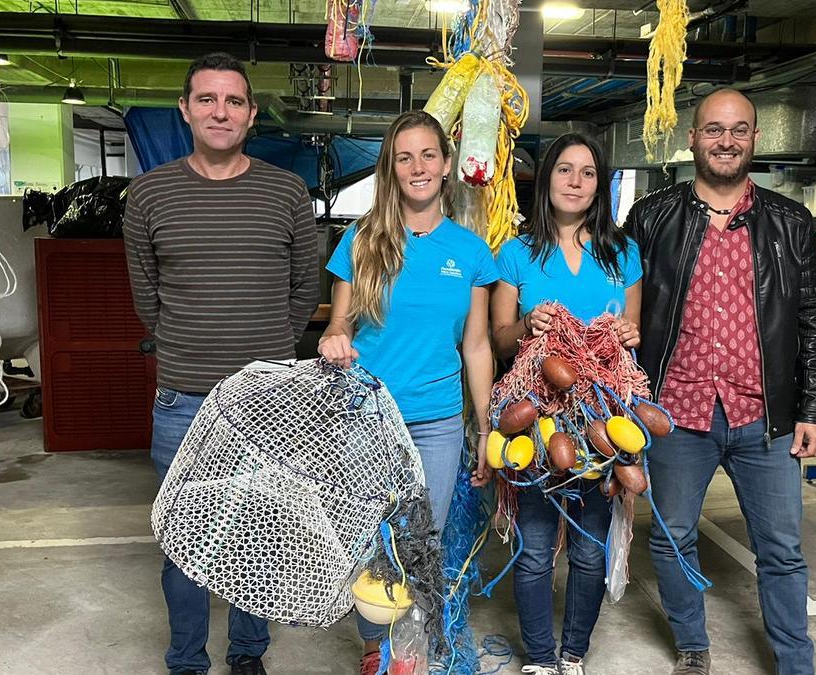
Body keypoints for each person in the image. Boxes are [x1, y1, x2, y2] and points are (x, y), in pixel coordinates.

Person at [124, 52, 319, 675]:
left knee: (260, 542)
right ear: (185, 110)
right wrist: (192, 348)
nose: (220, 111)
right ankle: (186, 661)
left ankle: (246, 656)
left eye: (233, 101)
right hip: (182, 400)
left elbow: (301, 290)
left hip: (267, 403)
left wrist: (263, 362)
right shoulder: (149, 194)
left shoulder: (287, 192)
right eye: (206, 99)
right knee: (184, 547)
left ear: (251, 115)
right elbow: (146, 297)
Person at [624, 88, 816, 675]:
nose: (726, 141)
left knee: (783, 552)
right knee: (670, 538)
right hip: (678, 410)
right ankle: (692, 644)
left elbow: (813, 318)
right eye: (714, 129)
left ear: (755, 140)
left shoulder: (790, 222)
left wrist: (813, 406)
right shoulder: (653, 216)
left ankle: (795, 662)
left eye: (739, 130)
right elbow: (621, 305)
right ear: (692, 138)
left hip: (763, 416)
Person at [317, 109, 497, 675]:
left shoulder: (469, 252)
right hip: (364, 415)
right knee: (369, 539)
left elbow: (476, 345)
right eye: (404, 157)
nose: (417, 167)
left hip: (438, 421)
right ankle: (376, 646)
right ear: (390, 170)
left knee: (425, 539)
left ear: (446, 166)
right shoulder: (361, 241)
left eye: (427, 155)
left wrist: (484, 425)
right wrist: (334, 337)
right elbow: (339, 323)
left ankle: (410, 650)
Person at [490, 132, 643, 675]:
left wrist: (626, 332)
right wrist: (528, 325)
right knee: (534, 550)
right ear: (547, 179)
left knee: (585, 547)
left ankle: (573, 654)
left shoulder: (623, 252)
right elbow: (500, 339)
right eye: (564, 170)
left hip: (603, 422)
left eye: (588, 173)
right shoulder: (515, 253)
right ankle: (538, 660)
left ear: (600, 186)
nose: (575, 182)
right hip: (535, 417)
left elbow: (634, 332)